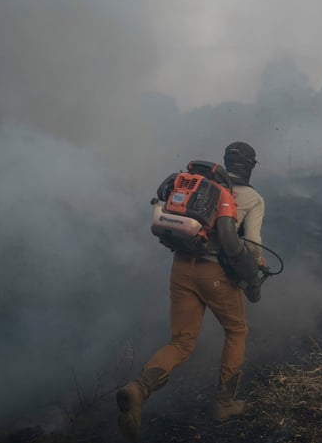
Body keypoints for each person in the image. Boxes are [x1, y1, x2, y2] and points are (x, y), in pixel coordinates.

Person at [116, 142, 266, 442]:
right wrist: (254, 274)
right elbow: (250, 245)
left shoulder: (199, 185)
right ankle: (224, 405)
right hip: (216, 275)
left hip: (181, 268)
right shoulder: (252, 198)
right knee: (236, 331)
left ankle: (138, 389)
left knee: (182, 341)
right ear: (250, 166)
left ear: (224, 162)